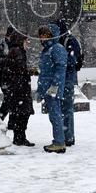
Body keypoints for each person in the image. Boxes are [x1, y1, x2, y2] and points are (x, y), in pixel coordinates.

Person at [0, 28, 34, 147]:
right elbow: (19, 70)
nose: (28, 42)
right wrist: (29, 71)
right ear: (20, 40)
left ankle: (19, 137)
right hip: (19, 89)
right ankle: (19, 138)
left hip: (17, 89)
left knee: (20, 113)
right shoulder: (18, 52)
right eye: (26, 40)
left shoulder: (16, 51)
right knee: (22, 114)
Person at [35, 24, 67, 154]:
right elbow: (45, 72)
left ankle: (59, 142)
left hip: (52, 89)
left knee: (55, 115)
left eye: (46, 35)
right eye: (41, 35)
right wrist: (40, 90)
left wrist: (54, 86)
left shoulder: (56, 48)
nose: (42, 38)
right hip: (48, 89)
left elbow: (60, 69)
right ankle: (59, 141)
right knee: (54, 116)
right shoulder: (47, 50)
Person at [55, 19, 83, 147]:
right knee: (64, 108)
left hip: (66, 78)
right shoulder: (68, 40)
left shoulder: (67, 41)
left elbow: (71, 61)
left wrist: (59, 64)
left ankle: (68, 136)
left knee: (65, 108)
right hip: (66, 77)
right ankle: (66, 135)